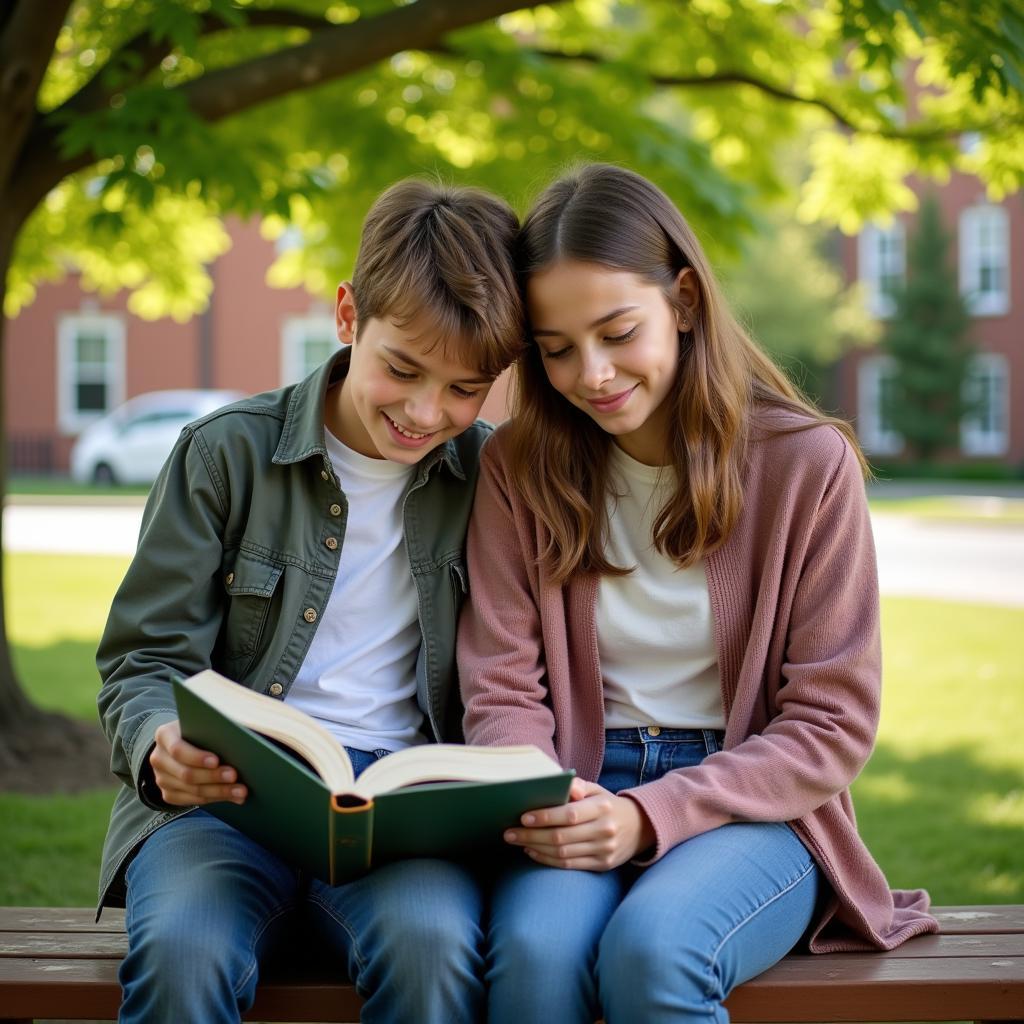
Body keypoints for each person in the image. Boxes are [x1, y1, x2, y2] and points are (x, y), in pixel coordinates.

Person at [457, 163, 939, 1023]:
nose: (591, 373)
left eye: (616, 332)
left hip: (757, 808)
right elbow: (500, 684)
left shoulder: (804, 465)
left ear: (682, 298)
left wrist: (652, 815)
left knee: (655, 952)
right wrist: (549, 796)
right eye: (556, 349)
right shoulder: (517, 467)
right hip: (576, 787)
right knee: (532, 956)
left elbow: (831, 722)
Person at [96, 178, 524, 1024]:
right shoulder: (226, 455)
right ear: (347, 316)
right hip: (225, 799)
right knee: (183, 954)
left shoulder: (493, 478)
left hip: (400, 821)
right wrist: (157, 743)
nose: (424, 410)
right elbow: (142, 659)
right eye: (401, 369)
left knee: (434, 950)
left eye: (464, 389)